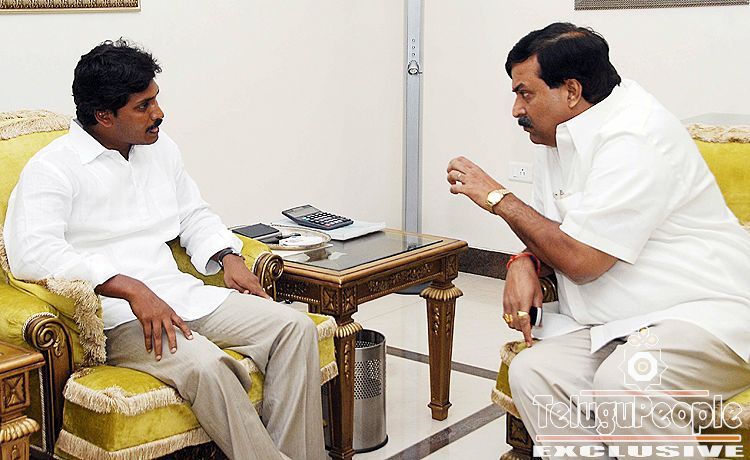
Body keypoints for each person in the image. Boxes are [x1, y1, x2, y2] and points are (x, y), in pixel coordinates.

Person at [4, 40, 325, 460]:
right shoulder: (52, 168)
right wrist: (129, 288)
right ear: (104, 116)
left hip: (181, 294)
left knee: (294, 328)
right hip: (120, 317)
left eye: (155, 99)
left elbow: (192, 213)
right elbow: (33, 252)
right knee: (206, 366)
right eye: (143, 106)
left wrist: (228, 257)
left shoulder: (160, 149)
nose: (158, 113)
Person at [447, 22, 750, 459]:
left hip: (704, 314)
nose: (516, 109)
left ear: (571, 91)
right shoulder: (556, 136)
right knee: (535, 371)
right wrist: (523, 261)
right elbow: (552, 230)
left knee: (626, 383)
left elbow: (583, 260)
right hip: (622, 321)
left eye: (525, 93)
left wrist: (498, 198)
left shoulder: (636, 136)